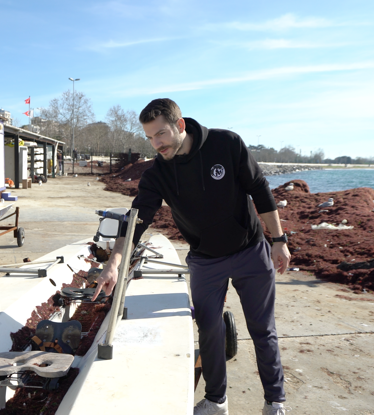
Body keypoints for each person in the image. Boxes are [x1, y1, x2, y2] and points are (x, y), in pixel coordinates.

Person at [92, 98, 290, 415]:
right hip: (205, 260)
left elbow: (259, 188)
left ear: (180, 125)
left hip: (250, 251)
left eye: (161, 134)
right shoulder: (157, 174)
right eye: (150, 138)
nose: (157, 144)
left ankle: (275, 402)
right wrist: (114, 264)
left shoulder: (226, 144)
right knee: (209, 329)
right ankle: (216, 400)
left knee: (262, 331)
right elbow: (135, 223)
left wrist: (278, 240)